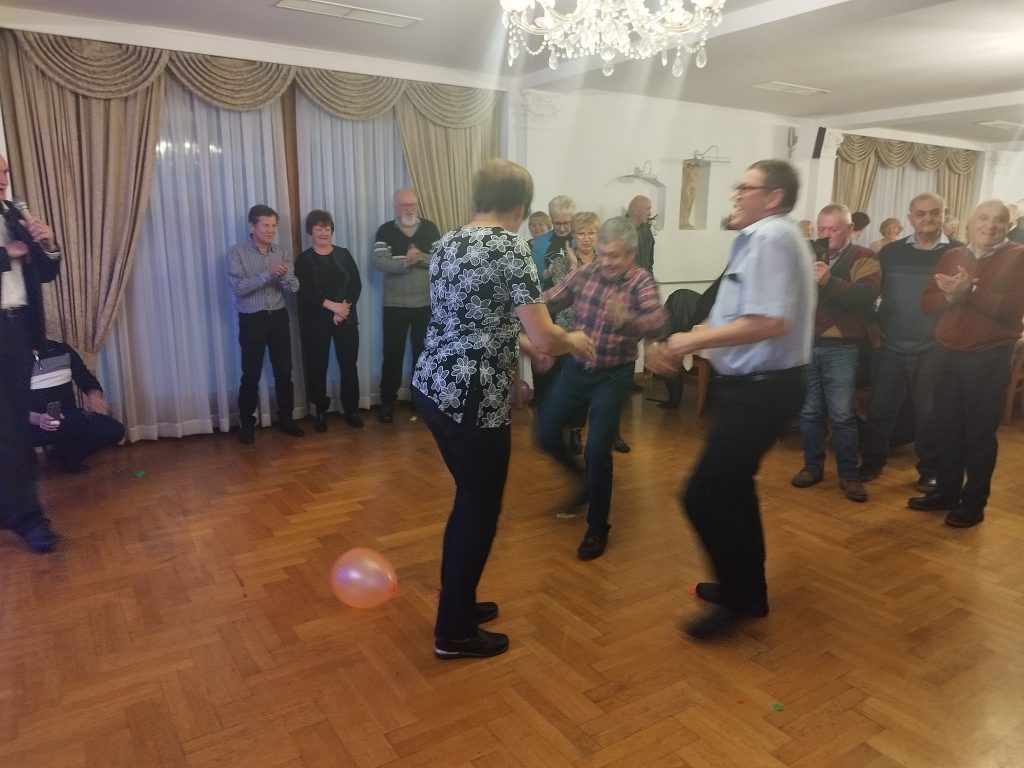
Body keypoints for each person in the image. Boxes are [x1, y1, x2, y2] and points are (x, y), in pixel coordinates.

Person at [411, 159, 594, 660]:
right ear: (521, 205)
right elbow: (546, 335)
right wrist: (572, 340)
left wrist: (525, 341)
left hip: (433, 385)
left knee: (469, 499)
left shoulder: (448, 242)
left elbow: (477, 316)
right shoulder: (510, 247)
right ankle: (453, 632)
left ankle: (461, 602)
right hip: (472, 396)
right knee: (479, 507)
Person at [646, 158, 814, 640]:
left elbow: (770, 322)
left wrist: (687, 341)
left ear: (774, 197)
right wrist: (686, 338)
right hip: (757, 388)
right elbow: (736, 315)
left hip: (765, 389)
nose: (736, 194)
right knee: (734, 488)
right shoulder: (764, 238)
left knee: (702, 494)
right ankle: (746, 591)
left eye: (746, 187)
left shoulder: (770, 237)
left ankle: (740, 596)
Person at [537, 216, 668, 561]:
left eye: (615, 256)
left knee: (597, 451)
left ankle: (597, 527)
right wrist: (529, 317)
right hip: (576, 369)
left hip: (612, 376)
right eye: (603, 253)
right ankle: (583, 482)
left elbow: (658, 321)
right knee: (545, 434)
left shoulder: (640, 281)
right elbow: (550, 299)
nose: (607, 262)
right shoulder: (586, 273)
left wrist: (628, 319)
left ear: (631, 254)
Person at [908, 200, 1024, 528]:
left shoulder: (1018, 256)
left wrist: (970, 290)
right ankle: (946, 492)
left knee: (979, 434)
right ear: (969, 223)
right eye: (983, 218)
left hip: (988, 355)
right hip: (946, 352)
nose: (990, 225)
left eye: (999, 220)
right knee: (946, 428)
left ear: (1008, 225)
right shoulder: (952, 255)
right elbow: (927, 303)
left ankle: (973, 504)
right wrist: (950, 296)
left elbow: (1014, 311)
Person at [858, 194, 960, 491]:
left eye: (935, 212)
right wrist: (871, 323)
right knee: (880, 410)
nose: (928, 218)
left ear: (944, 214)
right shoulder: (890, 252)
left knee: (930, 415)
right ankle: (872, 462)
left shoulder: (958, 253)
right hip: (890, 344)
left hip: (933, 348)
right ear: (910, 217)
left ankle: (930, 470)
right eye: (921, 213)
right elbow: (871, 292)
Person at [791, 204, 880, 503]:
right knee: (808, 412)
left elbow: (865, 297)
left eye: (833, 229)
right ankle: (812, 466)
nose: (826, 235)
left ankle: (849, 474)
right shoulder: (808, 254)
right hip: (806, 342)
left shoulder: (865, 256)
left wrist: (829, 281)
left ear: (850, 229)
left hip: (842, 345)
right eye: (822, 229)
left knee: (842, 414)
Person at [0, 153, 63, 553]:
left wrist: (48, 244)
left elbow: (46, 271)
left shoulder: (11, 214)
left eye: (5, 171)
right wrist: (7, 254)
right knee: (7, 429)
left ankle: (17, 510)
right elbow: (13, 255)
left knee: (14, 426)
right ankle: (25, 516)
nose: (3, 177)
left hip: (17, 329)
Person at [227, 204, 303, 443]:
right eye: (266, 225)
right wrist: (268, 274)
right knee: (250, 374)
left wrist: (285, 276)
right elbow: (239, 289)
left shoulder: (281, 251)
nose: (271, 230)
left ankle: (286, 418)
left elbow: (294, 287)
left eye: (274, 226)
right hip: (252, 319)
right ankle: (246, 423)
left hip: (278, 317)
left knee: (284, 372)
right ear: (252, 226)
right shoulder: (237, 253)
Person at [371, 189, 441, 424]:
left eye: (413, 204)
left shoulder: (430, 228)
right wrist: (406, 263)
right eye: (404, 205)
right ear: (395, 206)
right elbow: (379, 261)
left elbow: (441, 260)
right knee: (392, 354)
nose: (409, 209)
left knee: (423, 354)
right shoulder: (385, 230)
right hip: (395, 305)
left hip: (425, 304)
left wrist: (419, 258)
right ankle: (387, 402)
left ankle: (418, 400)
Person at [295, 209, 363, 431]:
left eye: (327, 228)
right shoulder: (303, 259)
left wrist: (343, 309)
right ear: (311, 231)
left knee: (349, 364)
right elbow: (304, 292)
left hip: (345, 317)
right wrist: (332, 306)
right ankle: (320, 411)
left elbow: (356, 285)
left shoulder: (344, 254)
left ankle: (351, 410)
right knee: (317, 365)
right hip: (316, 320)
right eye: (318, 229)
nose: (323, 233)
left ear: (332, 230)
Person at [29, 339, 125, 473]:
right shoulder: (9, 359)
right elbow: (7, 406)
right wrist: (37, 419)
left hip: (68, 418)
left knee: (115, 430)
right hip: (30, 425)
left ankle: (68, 456)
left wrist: (94, 397)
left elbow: (86, 378)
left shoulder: (62, 350)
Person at [530, 195, 575, 288]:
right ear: (551, 219)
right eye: (557, 223)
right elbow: (535, 277)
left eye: (567, 223)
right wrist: (547, 273)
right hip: (552, 294)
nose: (562, 229)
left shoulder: (581, 238)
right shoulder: (540, 243)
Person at [627, 195, 656, 276]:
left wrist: (650, 281)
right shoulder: (619, 230)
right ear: (636, 210)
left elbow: (649, 264)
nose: (650, 214)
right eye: (647, 209)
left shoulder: (647, 230)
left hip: (645, 280)